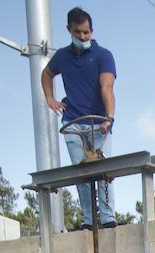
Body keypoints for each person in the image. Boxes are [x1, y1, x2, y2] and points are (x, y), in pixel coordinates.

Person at [41, 7, 117, 230]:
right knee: (81, 173)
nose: (83, 37)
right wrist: (50, 98)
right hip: (73, 123)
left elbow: (107, 87)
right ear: (69, 30)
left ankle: (107, 218)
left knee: (104, 172)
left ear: (92, 30)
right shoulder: (63, 56)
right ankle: (88, 219)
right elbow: (46, 73)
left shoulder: (103, 55)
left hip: (98, 123)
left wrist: (109, 118)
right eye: (78, 33)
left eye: (86, 32)